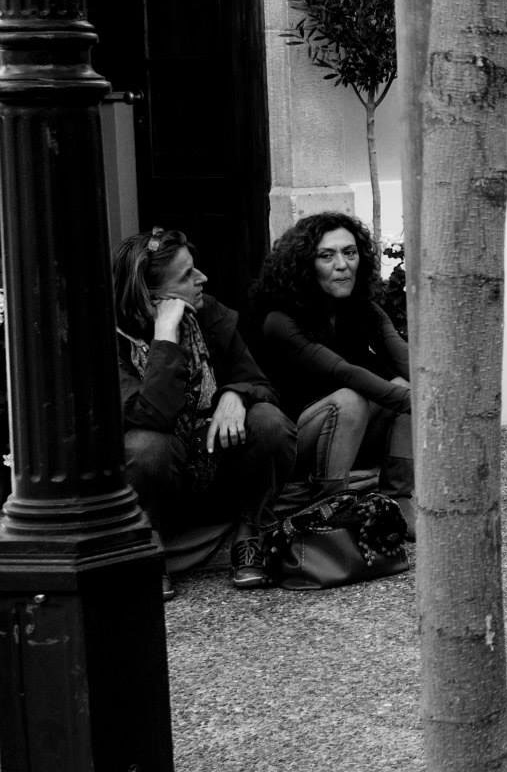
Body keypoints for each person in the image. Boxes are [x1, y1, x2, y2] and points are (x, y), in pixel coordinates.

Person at [114, 227, 294, 594]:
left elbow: (259, 383)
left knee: (269, 422)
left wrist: (235, 395)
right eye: (186, 276)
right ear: (151, 295)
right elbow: (151, 414)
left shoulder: (207, 313)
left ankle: (250, 534)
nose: (202, 278)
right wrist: (166, 334)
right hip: (160, 484)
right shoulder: (114, 339)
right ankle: (148, 548)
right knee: (144, 445)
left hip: (216, 467)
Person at [249, 213, 415, 517]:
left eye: (350, 253)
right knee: (353, 400)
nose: (342, 265)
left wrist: (439, 392)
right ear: (305, 264)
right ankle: (331, 506)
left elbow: (404, 359)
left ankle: (398, 497)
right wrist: (420, 403)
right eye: (327, 256)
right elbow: (342, 372)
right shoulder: (280, 320)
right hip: (296, 443)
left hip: (352, 435)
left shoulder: (363, 309)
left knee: (404, 386)